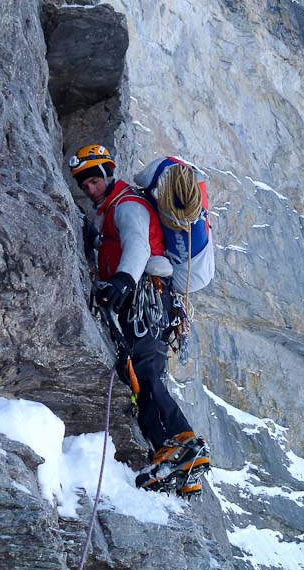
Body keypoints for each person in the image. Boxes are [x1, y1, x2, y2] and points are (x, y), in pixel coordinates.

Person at [69, 144, 210, 497]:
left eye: (92, 180)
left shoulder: (127, 203)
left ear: (107, 173)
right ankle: (173, 459)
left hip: (146, 295)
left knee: (146, 371)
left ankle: (183, 440)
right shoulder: (111, 209)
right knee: (139, 375)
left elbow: (138, 246)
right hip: (146, 299)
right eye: (83, 184)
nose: (89, 188)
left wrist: (123, 280)